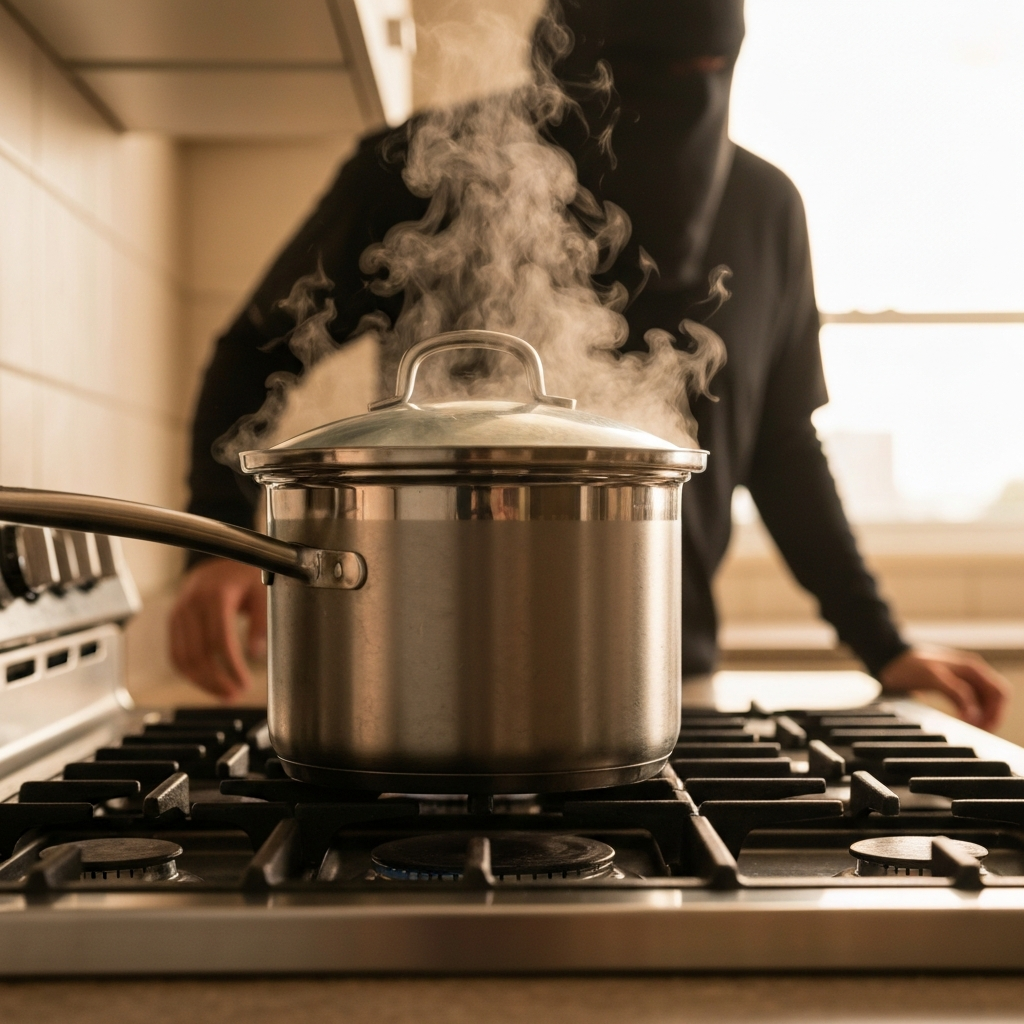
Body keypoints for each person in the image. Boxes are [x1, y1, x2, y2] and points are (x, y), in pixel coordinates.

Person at [171, 0, 1011, 728]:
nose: (680, 95)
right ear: (570, 48)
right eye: (647, 69)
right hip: (426, 667)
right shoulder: (432, 167)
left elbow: (783, 447)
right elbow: (258, 349)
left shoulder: (766, 209)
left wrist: (883, 644)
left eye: (707, 67)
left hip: (665, 675)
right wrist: (215, 538)